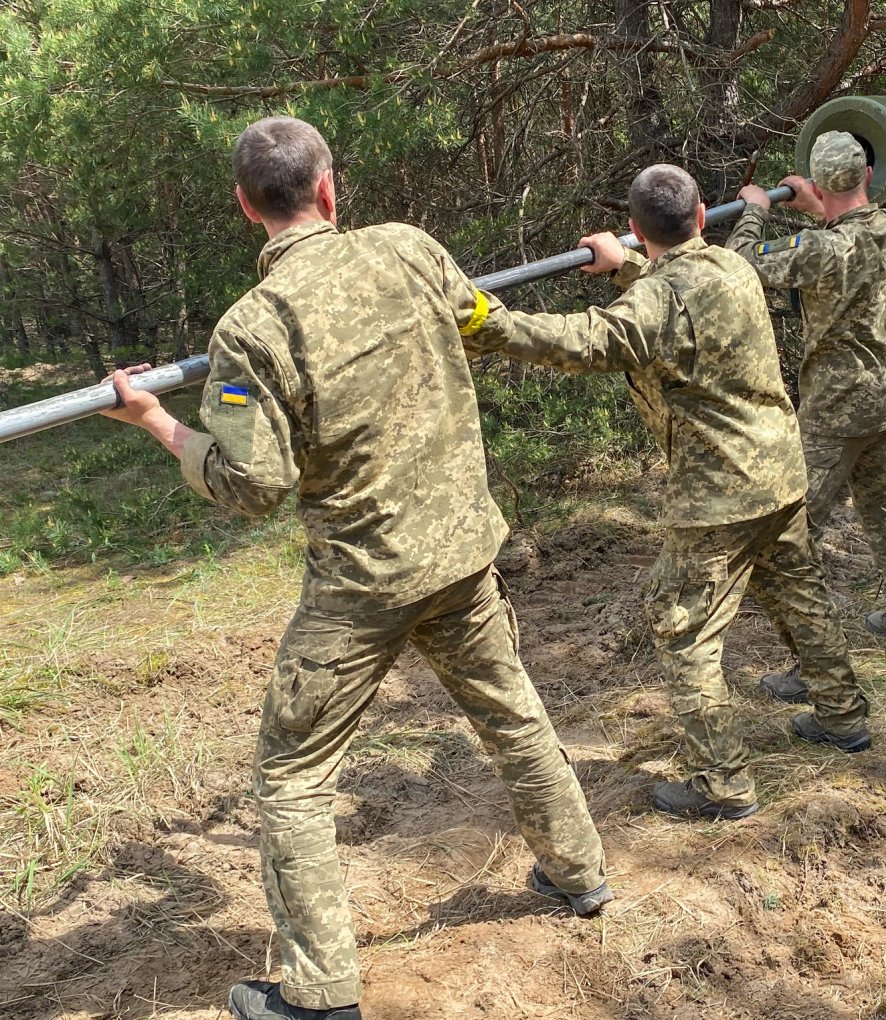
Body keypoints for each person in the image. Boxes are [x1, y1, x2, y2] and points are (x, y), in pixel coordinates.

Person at [100, 116, 610, 1020]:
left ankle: (321, 993)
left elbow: (254, 484)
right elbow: (478, 320)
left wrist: (154, 421)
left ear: (245, 206)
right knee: (513, 715)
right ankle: (580, 874)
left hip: (363, 585)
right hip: (460, 554)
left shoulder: (252, 328)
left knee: (291, 777)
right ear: (328, 187)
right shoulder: (412, 250)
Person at [460, 163, 872, 823]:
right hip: (778, 472)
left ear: (637, 227)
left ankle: (722, 783)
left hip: (719, 496)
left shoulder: (662, 296)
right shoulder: (734, 267)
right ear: (703, 217)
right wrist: (624, 263)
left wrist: (486, 319)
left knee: (684, 631)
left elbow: (589, 341)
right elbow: (675, 294)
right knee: (798, 594)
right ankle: (843, 714)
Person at [727, 130, 886, 705]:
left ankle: (810, 663)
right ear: (868, 175)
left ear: (820, 184)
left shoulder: (817, 251)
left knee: (791, 533)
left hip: (835, 408)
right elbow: (850, 231)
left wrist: (756, 210)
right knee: (879, 501)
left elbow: (744, 266)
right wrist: (816, 206)